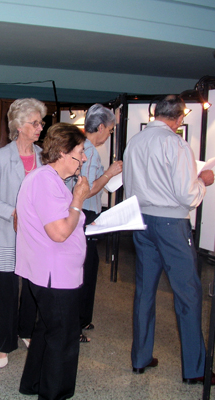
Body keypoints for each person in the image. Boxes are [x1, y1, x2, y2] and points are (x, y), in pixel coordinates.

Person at [123, 95, 215, 385]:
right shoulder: (177, 144)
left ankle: (140, 358)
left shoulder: (135, 141)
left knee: (144, 291)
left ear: (155, 113)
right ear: (180, 118)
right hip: (171, 224)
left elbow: (131, 184)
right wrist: (203, 181)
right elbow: (187, 195)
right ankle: (195, 370)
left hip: (141, 220)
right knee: (188, 295)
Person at [16, 122, 90, 400]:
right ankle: (54, 395)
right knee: (64, 337)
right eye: (80, 152)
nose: (83, 158)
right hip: (54, 274)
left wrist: (75, 201)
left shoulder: (47, 179)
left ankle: (33, 384)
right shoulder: (45, 181)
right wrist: (78, 200)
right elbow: (59, 232)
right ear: (62, 152)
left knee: (47, 329)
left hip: (48, 271)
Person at [0, 98, 45, 368]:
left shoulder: (43, 156)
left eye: (41, 122)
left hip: (37, 236)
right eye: (35, 123)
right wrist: (12, 212)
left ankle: (26, 331)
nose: (40, 127)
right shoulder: (1, 157)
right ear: (18, 126)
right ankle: (4, 344)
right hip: (8, 233)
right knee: (7, 291)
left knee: (31, 288)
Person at [67, 104, 123, 341]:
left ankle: (81, 319)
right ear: (100, 127)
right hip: (84, 216)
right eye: (109, 130)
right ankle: (76, 324)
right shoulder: (87, 150)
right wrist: (109, 174)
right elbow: (86, 191)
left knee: (88, 268)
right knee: (86, 270)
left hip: (83, 215)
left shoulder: (82, 147)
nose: (108, 134)